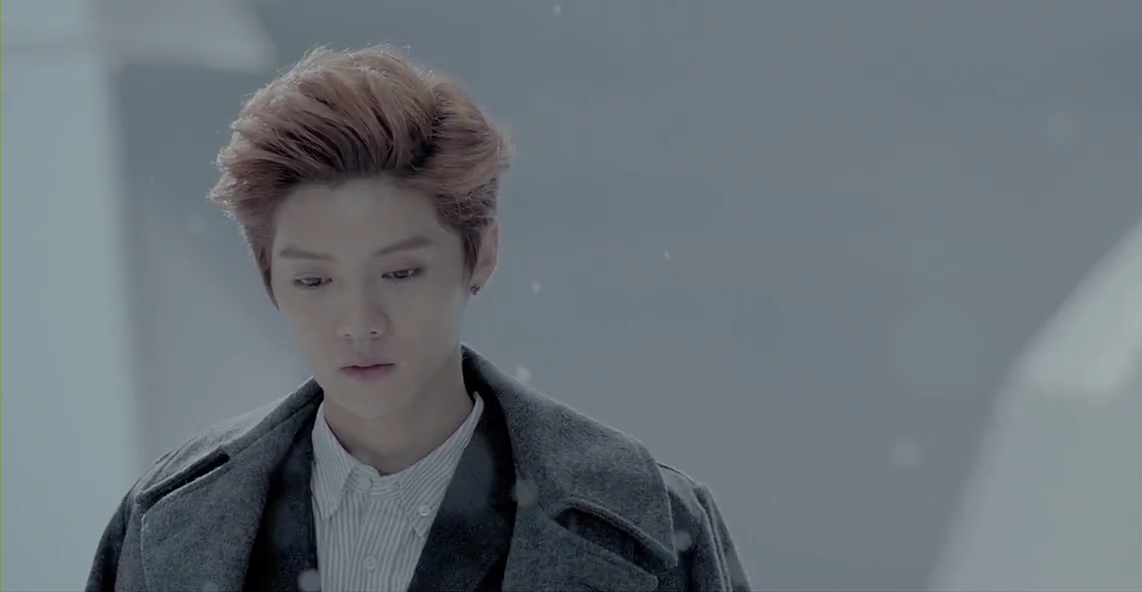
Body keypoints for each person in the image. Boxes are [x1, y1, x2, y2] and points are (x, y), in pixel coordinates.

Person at [85, 45, 750, 592]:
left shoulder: (645, 523)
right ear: (269, 280)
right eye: (314, 280)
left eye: (401, 273)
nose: (359, 321)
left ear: (480, 254)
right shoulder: (166, 523)